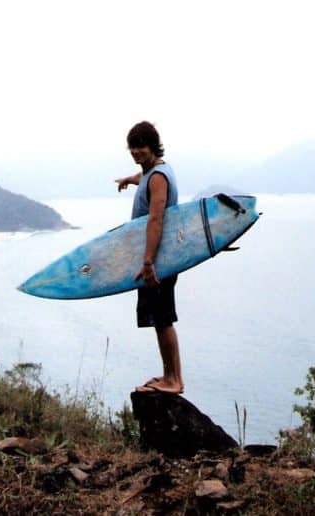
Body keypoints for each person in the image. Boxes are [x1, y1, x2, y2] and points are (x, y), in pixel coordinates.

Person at [115, 121, 183, 394]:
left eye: (141, 147)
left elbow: (155, 220)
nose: (136, 152)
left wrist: (147, 263)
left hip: (159, 261)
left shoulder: (156, 178)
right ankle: (169, 376)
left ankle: (174, 381)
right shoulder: (156, 171)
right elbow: (144, 178)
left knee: (163, 319)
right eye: (132, 147)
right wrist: (129, 180)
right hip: (160, 259)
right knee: (159, 318)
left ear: (153, 146)